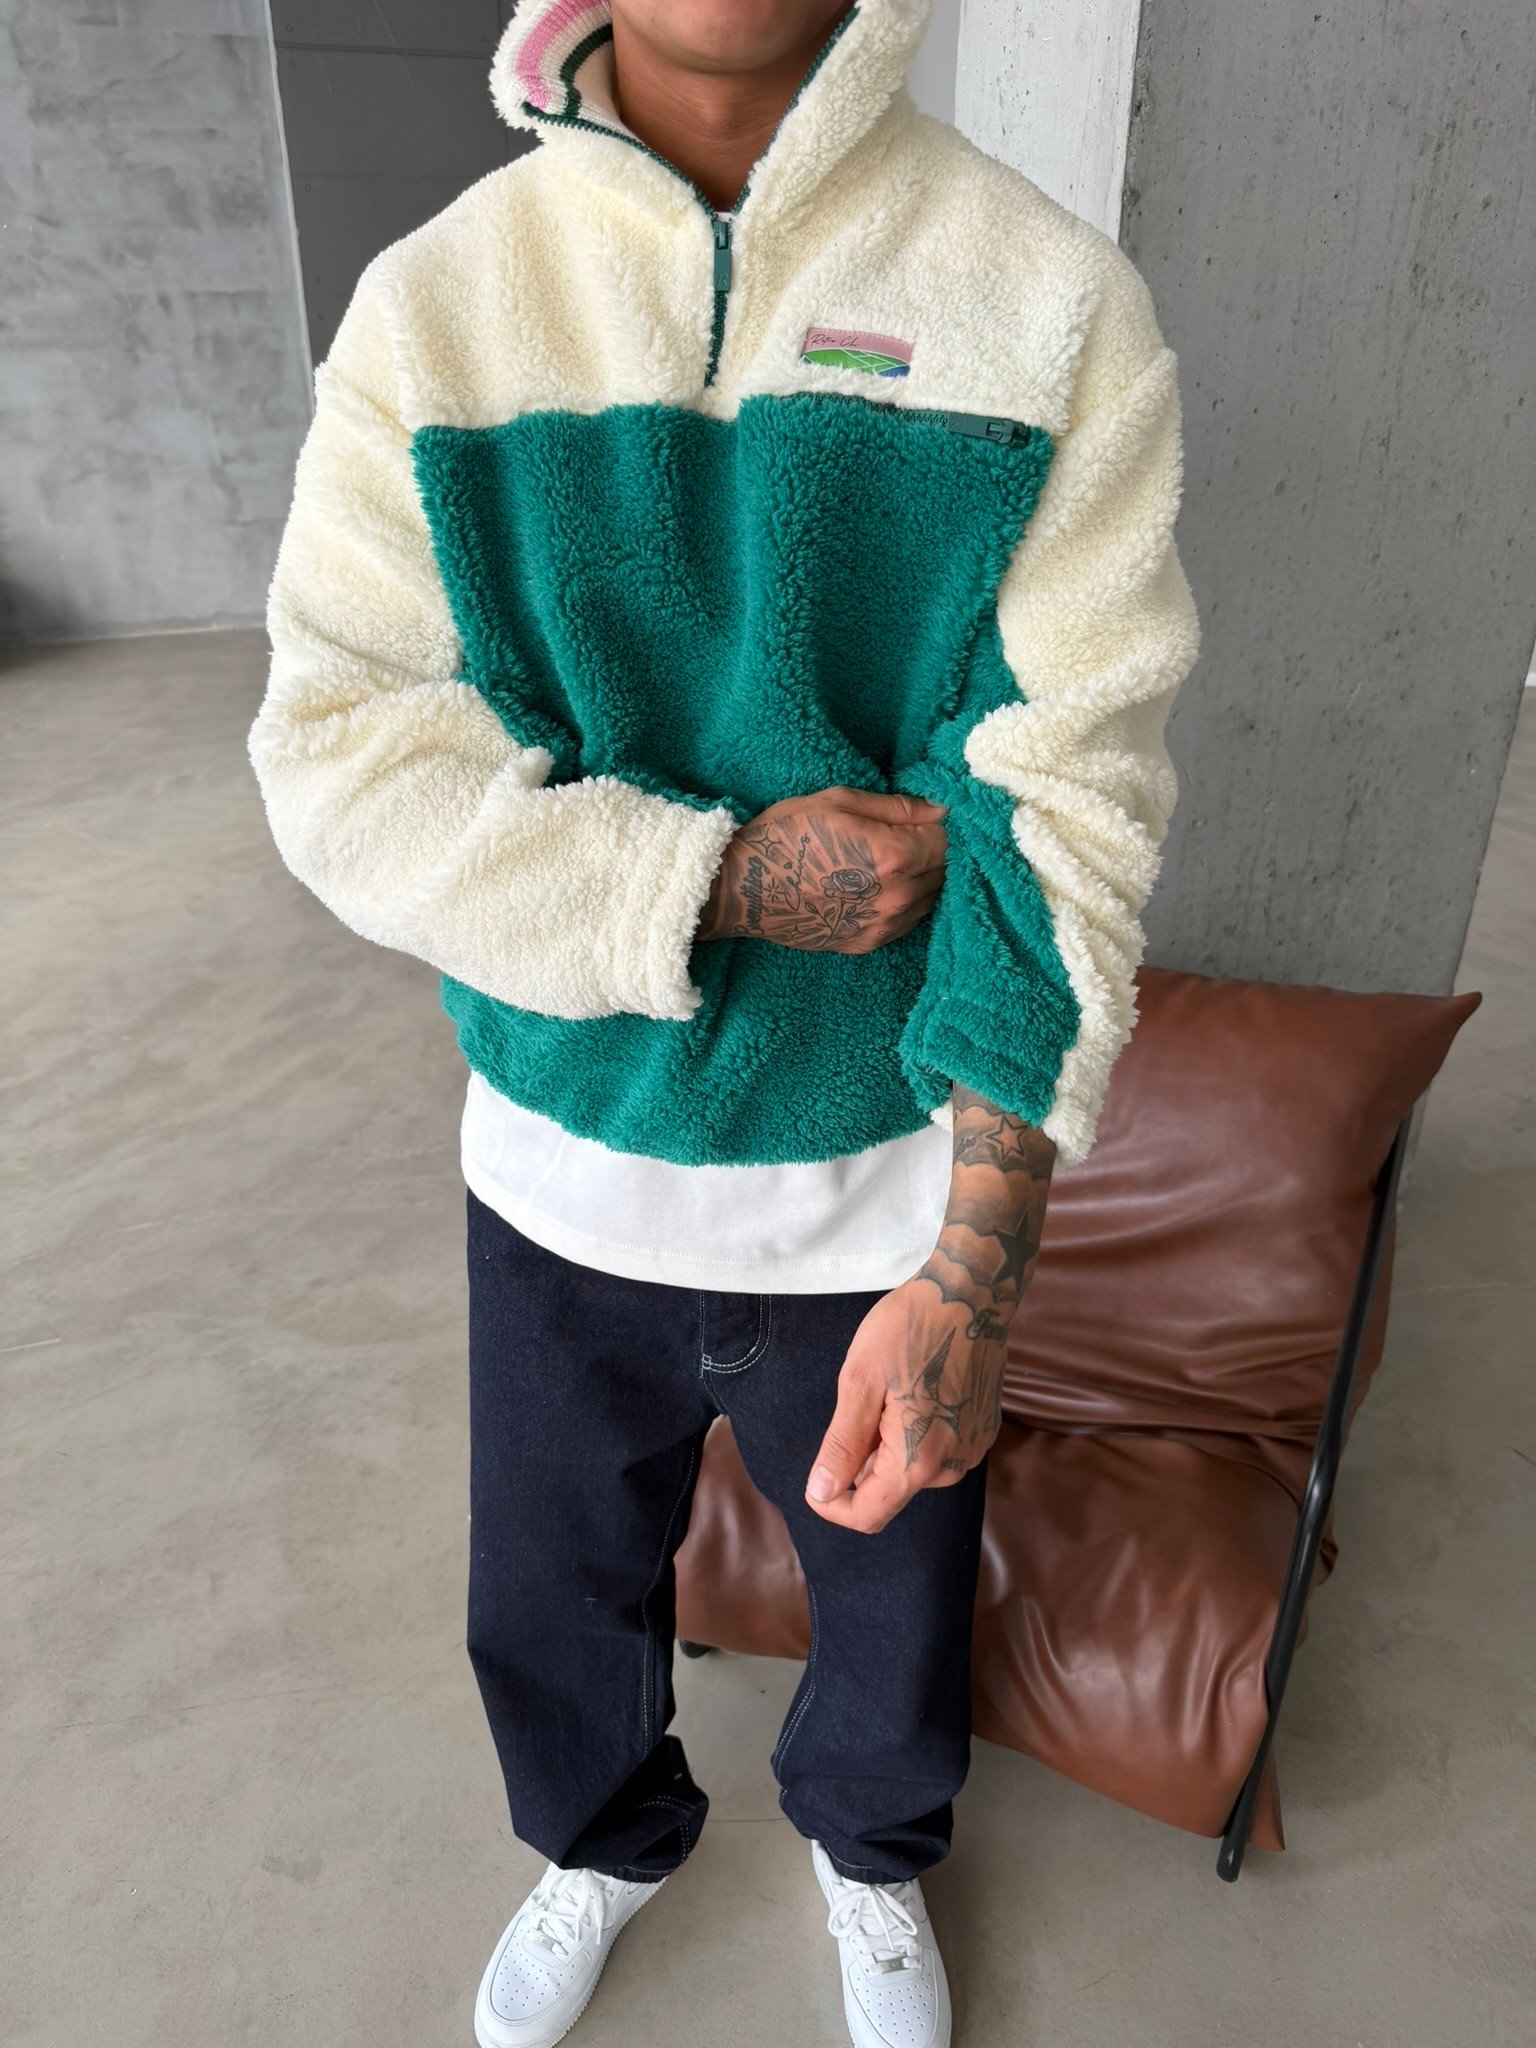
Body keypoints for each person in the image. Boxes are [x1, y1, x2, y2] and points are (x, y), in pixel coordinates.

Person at [249, 1, 1199, 2042]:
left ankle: (872, 1852)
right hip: (556, 1170)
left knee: (897, 1584)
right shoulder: (439, 312)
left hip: (882, 1184)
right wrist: (729, 877)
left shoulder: (1043, 305)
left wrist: (980, 1266)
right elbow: (341, 764)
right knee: (546, 1584)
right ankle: (599, 1839)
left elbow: (1066, 801)